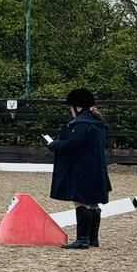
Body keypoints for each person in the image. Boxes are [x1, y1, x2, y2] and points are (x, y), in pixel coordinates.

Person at [45, 87, 112, 250]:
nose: (70, 111)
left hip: (82, 168)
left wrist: (54, 144)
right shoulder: (98, 123)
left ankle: (82, 239)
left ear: (78, 107)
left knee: (80, 200)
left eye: (71, 107)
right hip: (95, 167)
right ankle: (92, 239)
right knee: (93, 202)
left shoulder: (81, 123)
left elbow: (73, 144)